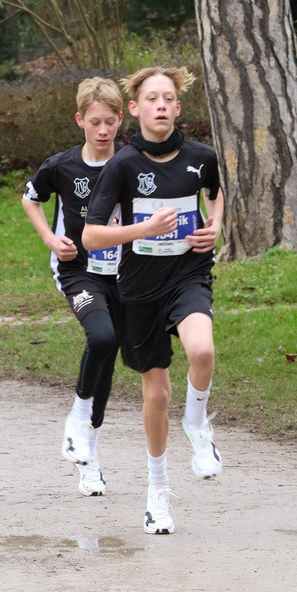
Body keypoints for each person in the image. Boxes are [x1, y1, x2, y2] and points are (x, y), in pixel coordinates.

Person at [82, 66, 223, 534]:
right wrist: (143, 230)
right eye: (152, 99)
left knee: (202, 350)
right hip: (139, 287)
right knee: (157, 394)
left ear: (178, 108)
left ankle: (198, 425)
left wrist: (215, 226)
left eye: (169, 98)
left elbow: (215, 194)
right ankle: (157, 490)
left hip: (188, 275)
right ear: (136, 109)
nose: (161, 105)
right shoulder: (122, 166)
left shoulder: (201, 156)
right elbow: (90, 235)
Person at [22, 77, 124, 496]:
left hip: (129, 271)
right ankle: (77, 418)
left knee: (111, 351)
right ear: (80, 120)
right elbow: (31, 198)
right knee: (101, 337)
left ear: (121, 119)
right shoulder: (62, 166)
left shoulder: (134, 161)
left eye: (111, 122)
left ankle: (90, 457)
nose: (103, 131)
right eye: (95, 122)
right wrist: (51, 238)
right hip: (78, 269)